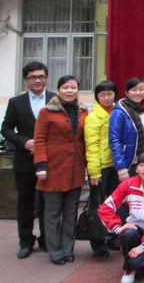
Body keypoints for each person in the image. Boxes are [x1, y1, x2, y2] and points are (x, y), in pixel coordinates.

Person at [1, 61, 54, 259]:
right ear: (26, 80)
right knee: (25, 202)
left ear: (46, 78)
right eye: (33, 77)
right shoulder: (17, 102)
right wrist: (24, 142)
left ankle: (46, 239)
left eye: (41, 76)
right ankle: (25, 241)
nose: (37, 80)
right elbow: (6, 129)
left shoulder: (55, 99)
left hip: (50, 160)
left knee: (48, 203)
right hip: (25, 160)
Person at [33, 75, 88, 265]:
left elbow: (85, 140)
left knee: (71, 212)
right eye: (65, 87)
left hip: (75, 169)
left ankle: (67, 249)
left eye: (73, 87)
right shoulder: (46, 112)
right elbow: (39, 140)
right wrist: (41, 165)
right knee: (52, 213)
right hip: (52, 169)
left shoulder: (83, 111)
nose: (69, 91)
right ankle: (55, 250)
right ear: (58, 90)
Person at [99, 152, 144, 283]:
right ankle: (129, 269)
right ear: (136, 168)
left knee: (140, 262)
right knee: (128, 234)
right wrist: (117, 228)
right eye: (141, 165)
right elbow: (105, 208)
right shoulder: (128, 184)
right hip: (136, 229)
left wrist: (143, 247)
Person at [84, 80, 119, 257]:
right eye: (102, 94)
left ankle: (113, 237)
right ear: (97, 97)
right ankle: (98, 242)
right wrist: (94, 172)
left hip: (116, 165)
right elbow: (91, 146)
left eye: (110, 94)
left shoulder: (119, 111)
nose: (107, 98)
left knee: (115, 204)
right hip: (101, 167)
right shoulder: (93, 117)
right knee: (98, 205)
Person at [109, 77, 144, 181]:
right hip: (129, 164)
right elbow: (114, 141)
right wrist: (122, 169)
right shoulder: (119, 112)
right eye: (133, 90)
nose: (138, 93)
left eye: (141, 89)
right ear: (126, 93)